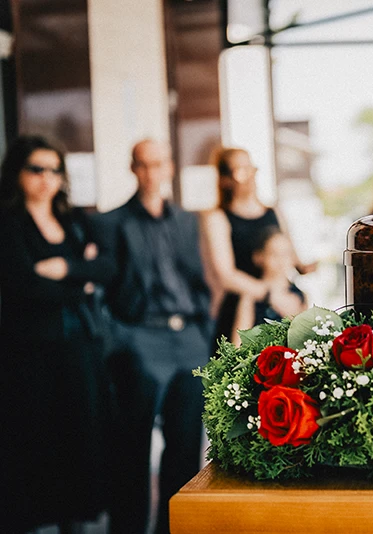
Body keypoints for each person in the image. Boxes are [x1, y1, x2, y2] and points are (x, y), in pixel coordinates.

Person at [94, 139, 212, 534]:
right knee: (131, 447)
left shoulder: (187, 221)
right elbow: (103, 290)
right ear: (133, 169)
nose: (151, 172)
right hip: (140, 337)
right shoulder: (110, 222)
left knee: (185, 447)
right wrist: (121, 339)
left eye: (158, 163)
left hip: (188, 338)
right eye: (143, 164)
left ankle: (172, 528)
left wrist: (202, 333)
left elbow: (197, 279)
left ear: (170, 168)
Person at [0, 135, 114, 533]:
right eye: (36, 169)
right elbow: (22, 285)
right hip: (30, 351)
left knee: (80, 438)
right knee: (36, 441)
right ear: (17, 173)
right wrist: (81, 282)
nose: (46, 178)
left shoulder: (73, 220)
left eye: (54, 170)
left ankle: (74, 522)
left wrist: (66, 269)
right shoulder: (9, 223)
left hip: (80, 345)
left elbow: (107, 267)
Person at [200, 147, 313, 344]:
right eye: (240, 171)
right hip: (243, 305)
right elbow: (226, 275)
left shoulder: (273, 212)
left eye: (251, 168)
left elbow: (292, 256)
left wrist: (305, 267)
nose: (250, 176)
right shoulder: (218, 218)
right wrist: (271, 296)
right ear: (226, 180)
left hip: (283, 300)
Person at [230, 227, 308, 345]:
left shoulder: (300, 295)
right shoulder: (251, 296)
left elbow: (303, 338)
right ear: (259, 257)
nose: (281, 260)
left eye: (286, 254)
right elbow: (238, 341)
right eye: (274, 254)